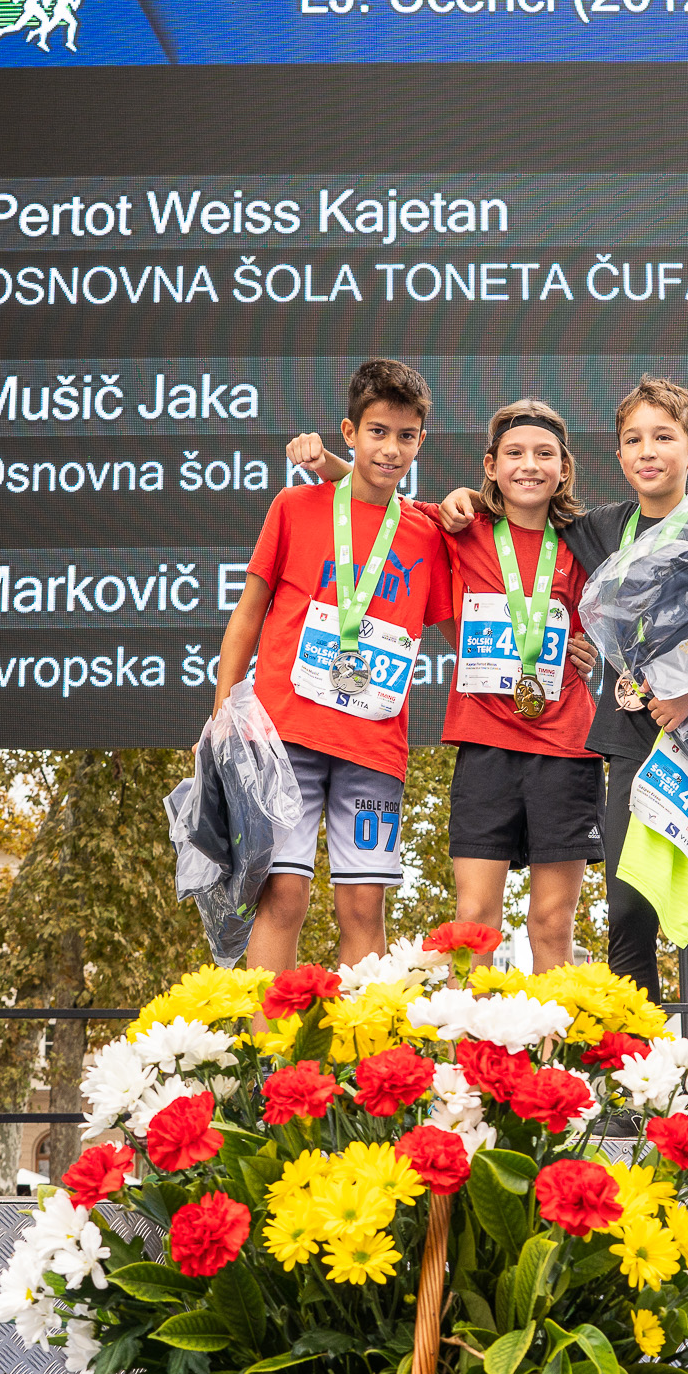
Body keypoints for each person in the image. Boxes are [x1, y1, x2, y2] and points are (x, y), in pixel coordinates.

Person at [432, 376, 688, 1044]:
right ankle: (638, 1077)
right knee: (626, 914)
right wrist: (464, 499)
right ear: (618, 455)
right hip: (629, 743)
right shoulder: (597, 529)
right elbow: (518, 503)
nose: (648, 451)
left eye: (663, 438)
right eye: (633, 440)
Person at [290, 399, 605, 970]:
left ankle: (554, 1035)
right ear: (490, 466)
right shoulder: (460, 526)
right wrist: (326, 461)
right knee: (474, 920)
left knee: (552, 922)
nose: (529, 465)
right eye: (514, 453)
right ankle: (469, 1033)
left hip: (566, 748)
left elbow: (611, 619)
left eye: (544, 454)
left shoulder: (585, 541)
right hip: (485, 745)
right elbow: (381, 495)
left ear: (564, 468)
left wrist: (594, 648)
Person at [212, 359, 454, 971]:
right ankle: (268, 1036)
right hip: (284, 735)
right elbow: (248, 613)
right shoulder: (295, 506)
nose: (391, 449)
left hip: (373, 745)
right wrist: (222, 711)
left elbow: (468, 625)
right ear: (350, 432)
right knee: (282, 897)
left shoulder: (426, 534)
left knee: (364, 909)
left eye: (405, 436)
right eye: (378, 432)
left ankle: (363, 1038)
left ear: (421, 441)